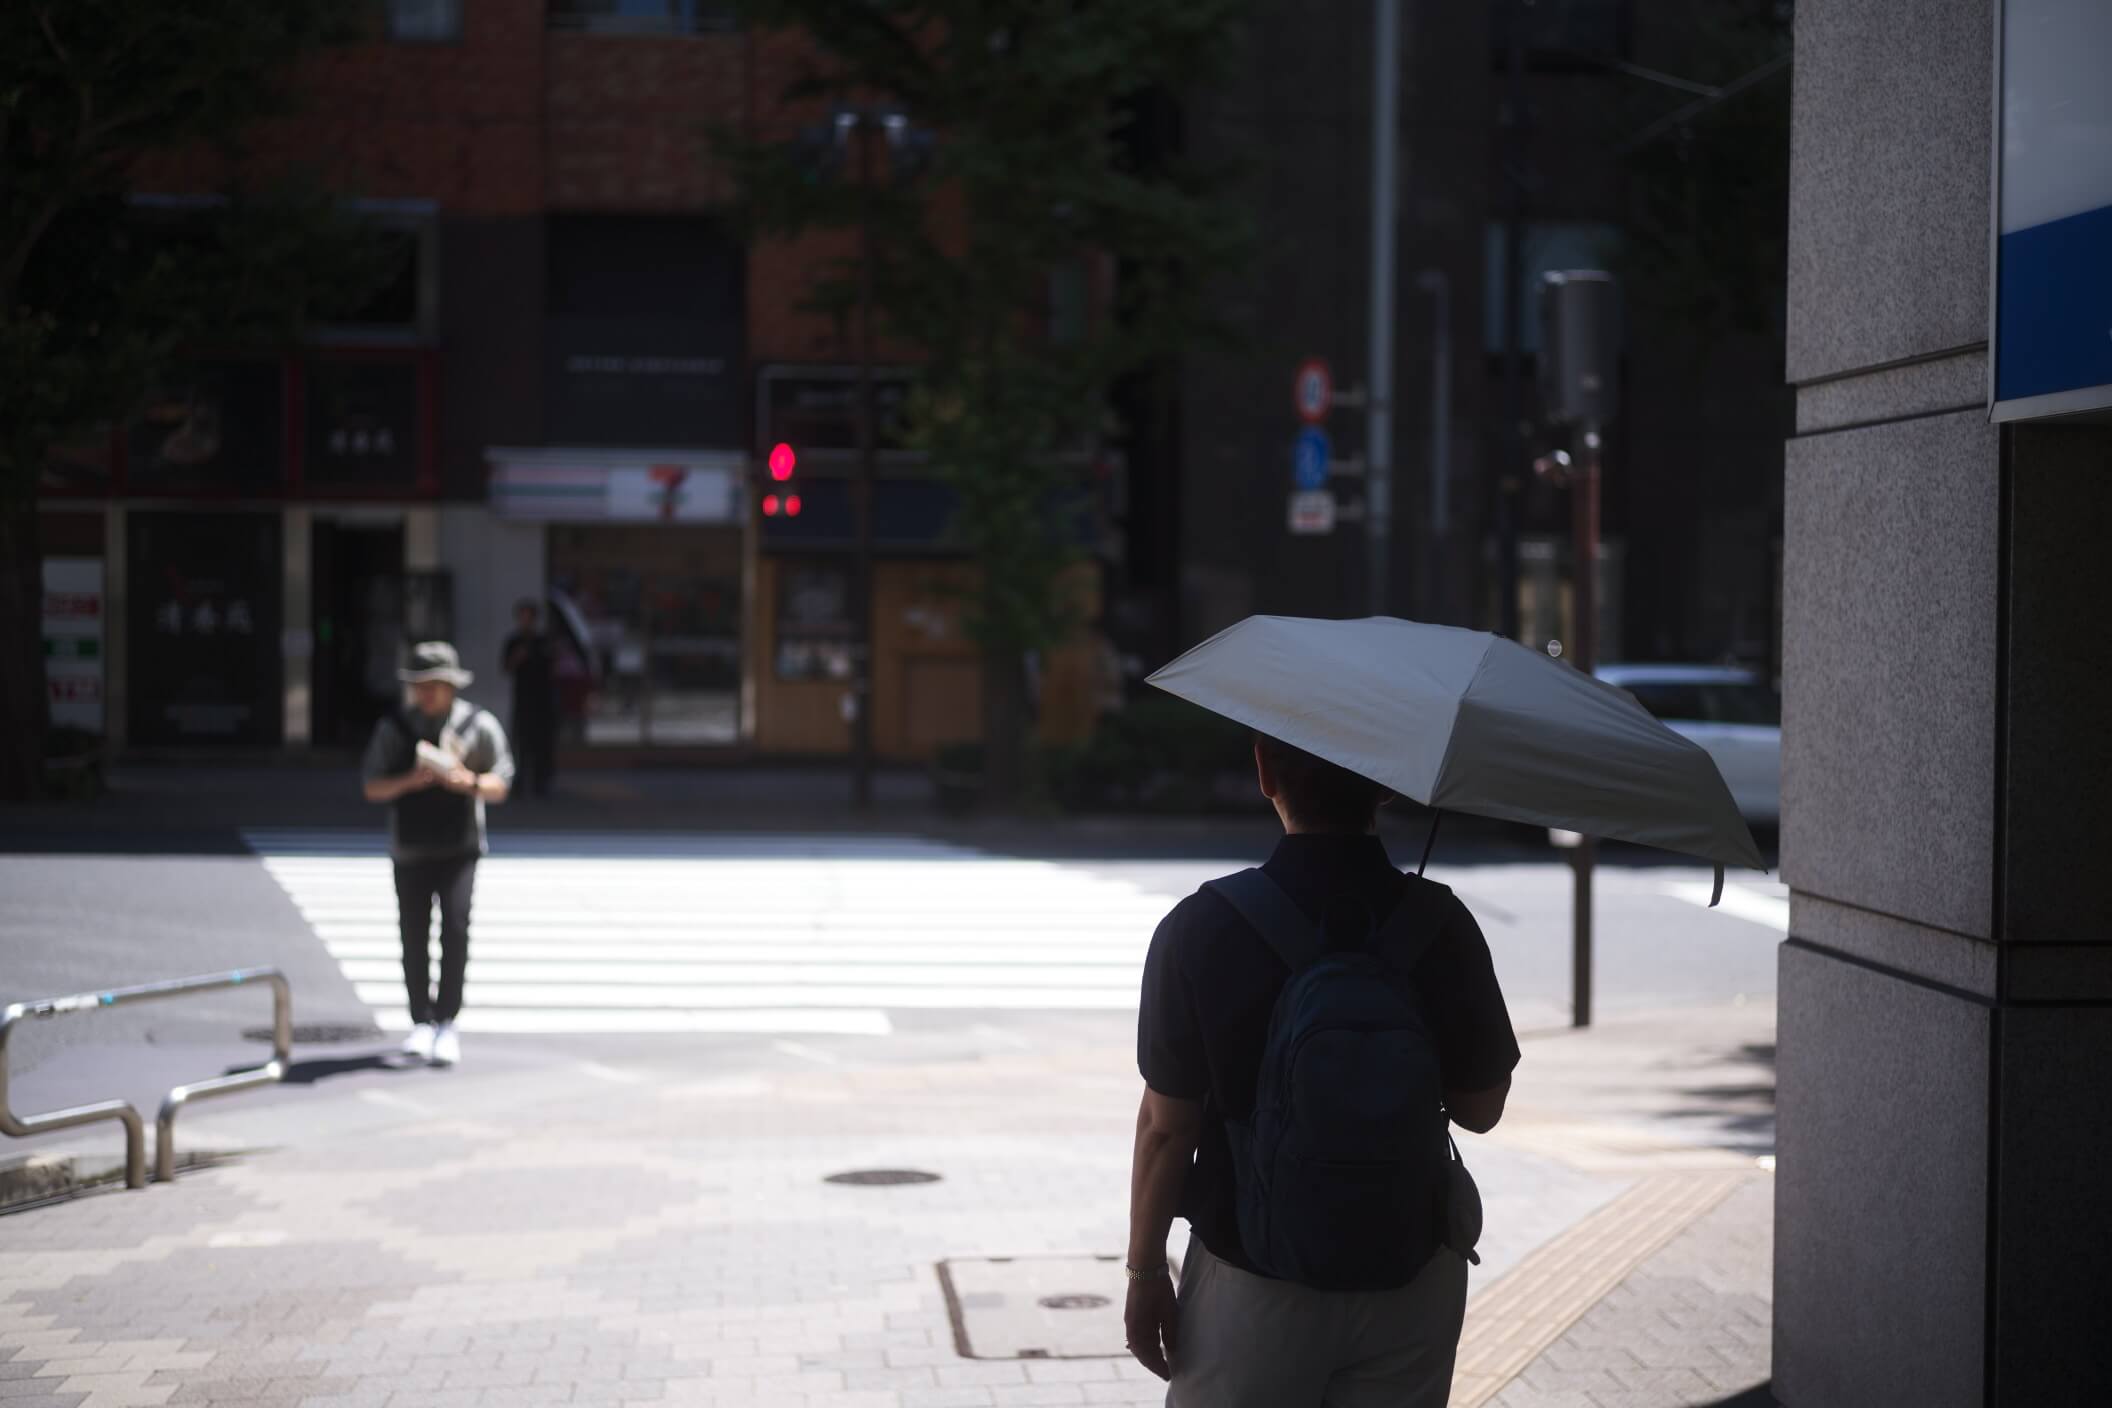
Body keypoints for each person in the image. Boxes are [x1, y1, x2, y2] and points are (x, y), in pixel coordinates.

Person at [1125, 733, 1520, 1406]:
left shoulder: (1201, 927)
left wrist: (1144, 1273)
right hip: (1411, 1270)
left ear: (1264, 772)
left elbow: (1167, 1131)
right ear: (1387, 784)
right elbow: (1482, 1109)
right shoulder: (1440, 922)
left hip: (1250, 1277)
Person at [361, 640, 514, 1068]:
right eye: (419, 685)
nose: (425, 693)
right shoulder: (395, 727)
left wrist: (465, 781)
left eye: (434, 684)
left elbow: (502, 782)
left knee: (456, 930)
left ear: (451, 686)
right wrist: (412, 780)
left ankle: (447, 1021)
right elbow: (372, 786)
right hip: (409, 846)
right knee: (413, 933)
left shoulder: (477, 726)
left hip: (461, 845)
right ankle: (420, 1021)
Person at [501, 598, 558, 798]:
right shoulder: (513, 642)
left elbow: (552, 667)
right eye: (522, 618)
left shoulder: (543, 642)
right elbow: (506, 668)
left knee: (541, 743)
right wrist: (518, 657)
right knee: (520, 741)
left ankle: (541, 782)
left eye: (529, 618)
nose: (526, 622)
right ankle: (519, 781)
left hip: (542, 700)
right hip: (522, 699)